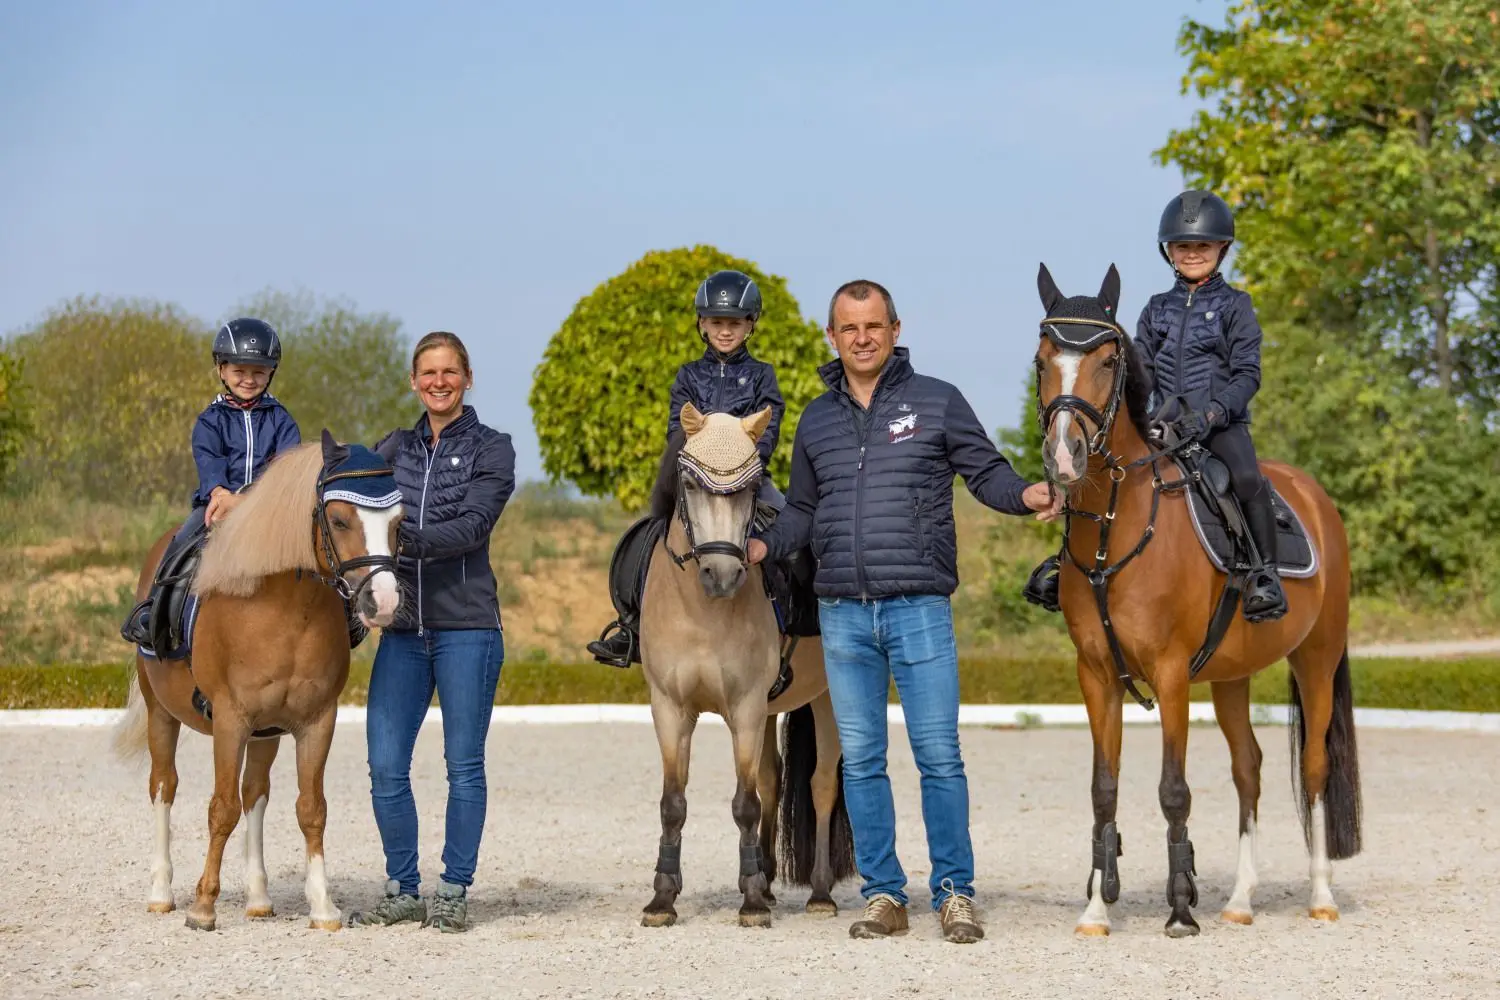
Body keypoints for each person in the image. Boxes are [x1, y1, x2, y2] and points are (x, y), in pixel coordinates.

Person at [747, 280, 1062, 944]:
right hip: (843, 613)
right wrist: (763, 544)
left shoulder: (937, 401)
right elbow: (802, 512)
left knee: (938, 756)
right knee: (860, 759)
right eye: (848, 328)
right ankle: (885, 895)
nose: (861, 338)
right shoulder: (815, 419)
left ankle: (953, 893)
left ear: (895, 329)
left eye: (873, 326)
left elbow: (987, 473)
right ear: (831, 336)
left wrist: (1027, 493)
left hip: (918, 606)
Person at [1025, 190, 1286, 623]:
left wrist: (1213, 413)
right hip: (1164, 422)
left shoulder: (1236, 306)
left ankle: (1265, 574)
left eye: (1202, 245)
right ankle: (1064, 563)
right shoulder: (1156, 308)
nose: (1192, 254)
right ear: (1169, 251)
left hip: (1220, 424)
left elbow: (1247, 375)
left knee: (1245, 477)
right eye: (1183, 246)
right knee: (1103, 469)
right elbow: (1139, 372)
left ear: (1222, 248)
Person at [349, 331, 516, 934]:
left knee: (463, 765)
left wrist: (400, 542)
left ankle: (453, 887)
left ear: (467, 377)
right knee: (385, 764)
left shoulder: (495, 449)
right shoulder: (389, 449)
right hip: (401, 630)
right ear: (413, 381)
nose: (438, 381)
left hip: (467, 626)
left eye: (449, 371)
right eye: (427, 372)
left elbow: (472, 526)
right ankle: (402, 887)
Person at [586, 269, 787, 668]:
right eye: (716, 323)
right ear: (702, 324)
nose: (725, 331)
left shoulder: (762, 374)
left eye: (734, 323)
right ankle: (632, 628)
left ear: (750, 326)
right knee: (647, 537)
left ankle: (792, 627)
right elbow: (677, 431)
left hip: (746, 479)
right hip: (696, 479)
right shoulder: (688, 375)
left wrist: (745, 463)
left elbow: (769, 425)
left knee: (787, 531)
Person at [120, 318, 300, 650]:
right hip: (217, 505)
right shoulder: (209, 421)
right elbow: (209, 462)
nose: (249, 379)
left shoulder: (281, 419)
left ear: (271, 373)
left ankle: (344, 615)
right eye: (239, 371)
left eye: (259, 372)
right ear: (221, 369)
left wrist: (250, 502)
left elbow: (285, 469)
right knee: (180, 546)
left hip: (271, 510)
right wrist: (220, 493)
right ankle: (155, 614)